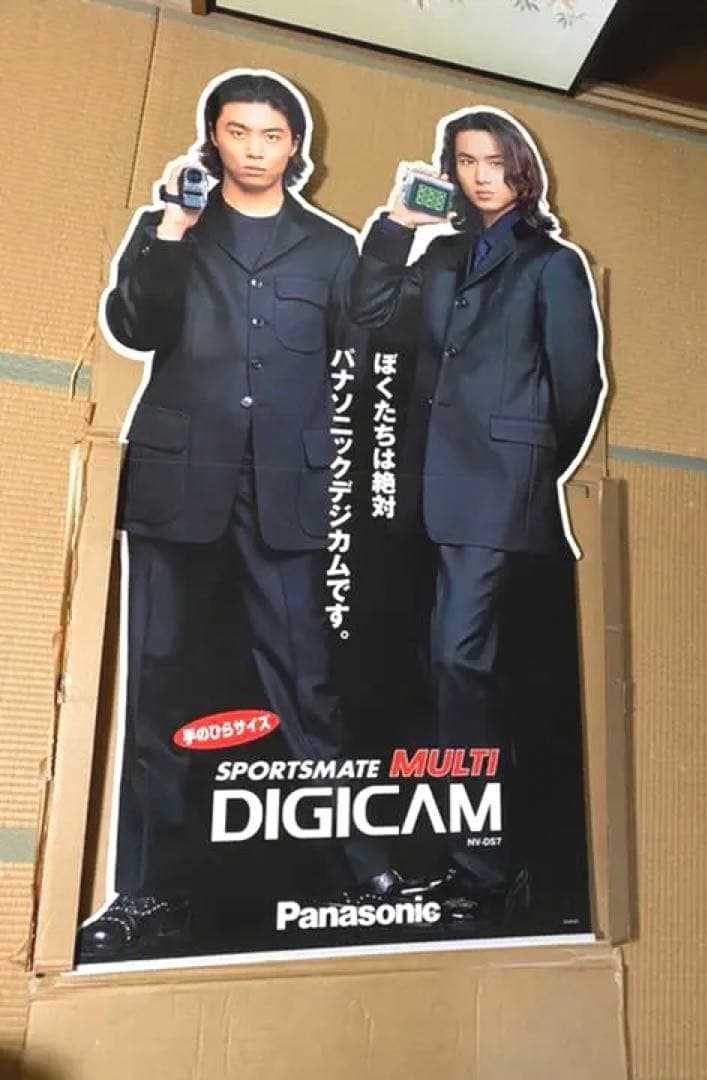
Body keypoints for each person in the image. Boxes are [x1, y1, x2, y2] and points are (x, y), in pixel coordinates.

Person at [79, 71, 413, 961]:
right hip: (178, 485)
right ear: (215, 138)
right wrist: (172, 228)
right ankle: (144, 893)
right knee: (158, 689)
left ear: (295, 145)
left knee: (309, 687)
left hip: (284, 495)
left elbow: (370, 328)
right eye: (239, 132)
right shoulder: (175, 227)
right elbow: (135, 324)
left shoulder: (330, 246)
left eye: (272, 134)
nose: (255, 149)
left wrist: (393, 234)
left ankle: (365, 872)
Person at [348, 108, 606, 925]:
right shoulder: (442, 255)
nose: (481, 175)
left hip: (497, 497)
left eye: (496, 160)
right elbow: (368, 312)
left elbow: (578, 387)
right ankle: (471, 858)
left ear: (522, 168)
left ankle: (488, 869)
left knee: (462, 664)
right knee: (439, 672)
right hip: (426, 495)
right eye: (466, 162)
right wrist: (397, 225)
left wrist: (523, 465)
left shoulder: (552, 264)